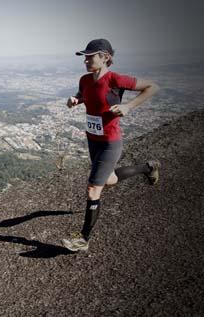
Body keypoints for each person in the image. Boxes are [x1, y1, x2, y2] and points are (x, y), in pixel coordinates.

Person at [60, 38, 160, 252]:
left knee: (93, 188)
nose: (86, 60)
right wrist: (75, 100)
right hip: (92, 139)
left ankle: (83, 239)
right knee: (110, 180)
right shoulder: (85, 80)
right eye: (84, 57)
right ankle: (148, 167)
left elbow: (153, 86)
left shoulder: (116, 79)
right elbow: (84, 95)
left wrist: (129, 106)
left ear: (105, 57)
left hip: (110, 142)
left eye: (90, 56)